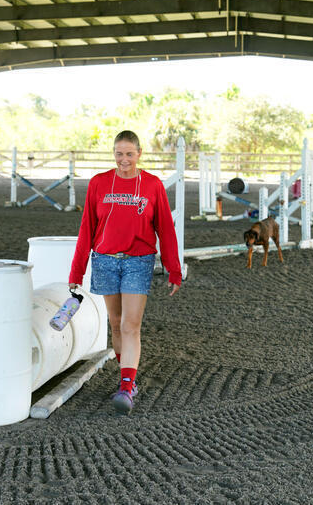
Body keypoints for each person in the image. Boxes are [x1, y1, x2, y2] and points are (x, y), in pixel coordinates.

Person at [69, 130, 182, 415]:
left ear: (139, 154)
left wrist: (174, 269)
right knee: (116, 323)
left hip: (138, 262)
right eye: (119, 154)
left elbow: (165, 229)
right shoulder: (99, 183)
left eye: (130, 154)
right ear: (114, 154)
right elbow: (87, 228)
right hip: (104, 261)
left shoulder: (152, 185)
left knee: (131, 325)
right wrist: (76, 271)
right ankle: (127, 377)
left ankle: (127, 387)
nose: (124, 160)